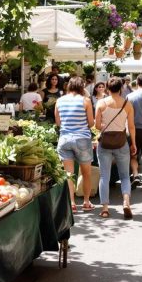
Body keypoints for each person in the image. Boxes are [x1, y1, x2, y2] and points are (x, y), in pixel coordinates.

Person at [95, 77, 136, 219]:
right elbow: (131, 126)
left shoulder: (101, 103)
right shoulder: (127, 104)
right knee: (125, 176)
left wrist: (105, 126)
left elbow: (96, 125)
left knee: (104, 176)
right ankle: (126, 202)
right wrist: (134, 143)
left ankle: (105, 208)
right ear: (121, 88)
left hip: (105, 143)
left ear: (107, 87)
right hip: (121, 142)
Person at [54, 76, 94, 212]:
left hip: (64, 139)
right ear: (81, 87)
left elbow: (58, 123)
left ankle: (71, 203)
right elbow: (91, 123)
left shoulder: (59, 101)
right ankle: (86, 202)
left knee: (68, 174)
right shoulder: (86, 101)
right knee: (86, 173)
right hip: (82, 139)